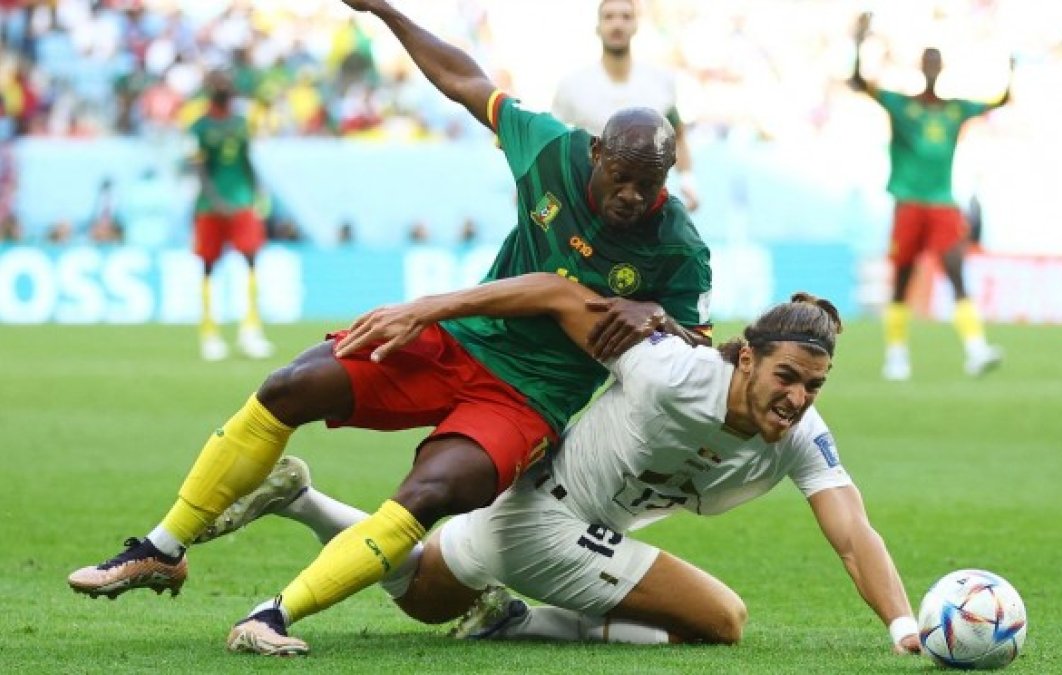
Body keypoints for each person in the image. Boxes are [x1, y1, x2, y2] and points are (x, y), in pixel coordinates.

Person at [67, 0, 712, 654]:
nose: (634, 196)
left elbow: (699, 358)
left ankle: (275, 615)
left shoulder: (678, 247)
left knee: (430, 489)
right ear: (597, 152)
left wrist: (657, 320)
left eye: (649, 184)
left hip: (528, 401)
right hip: (459, 340)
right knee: (292, 383)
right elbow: (465, 83)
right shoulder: (552, 150)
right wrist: (384, 12)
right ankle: (162, 548)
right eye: (622, 178)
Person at [207, 273, 921, 655]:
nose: (796, 398)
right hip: (551, 513)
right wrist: (430, 309)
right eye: (787, 376)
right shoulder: (670, 369)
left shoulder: (801, 433)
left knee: (426, 591)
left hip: (543, 512)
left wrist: (903, 626)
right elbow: (553, 291)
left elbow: (854, 534)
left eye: (812, 386)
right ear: (745, 356)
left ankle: (299, 497)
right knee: (722, 618)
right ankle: (520, 622)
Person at [850, 12, 1012, 381]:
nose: (932, 68)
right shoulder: (901, 105)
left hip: (942, 204)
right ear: (921, 67)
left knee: (956, 271)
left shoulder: (956, 109)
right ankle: (896, 355)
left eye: (937, 62)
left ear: (942, 68)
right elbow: (859, 82)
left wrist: (1009, 67)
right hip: (908, 202)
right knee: (903, 278)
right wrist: (859, 43)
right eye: (928, 62)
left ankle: (975, 349)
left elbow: (1001, 100)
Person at [553, 0, 700, 212]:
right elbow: (553, 144)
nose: (617, 24)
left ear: (636, 25)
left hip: (644, 206)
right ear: (598, 26)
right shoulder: (572, 86)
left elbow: (678, 135)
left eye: (625, 16)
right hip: (586, 204)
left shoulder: (660, 81)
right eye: (609, 17)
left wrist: (688, 180)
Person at [188, 70, 274, 362]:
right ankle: (209, 334)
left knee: (251, 262)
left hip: (242, 202)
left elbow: (248, 159)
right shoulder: (199, 127)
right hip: (210, 207)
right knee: (209, 267)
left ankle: (250, 331)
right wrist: (215, 199)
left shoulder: (241, 124)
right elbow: (199, 168)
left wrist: (257, 192)